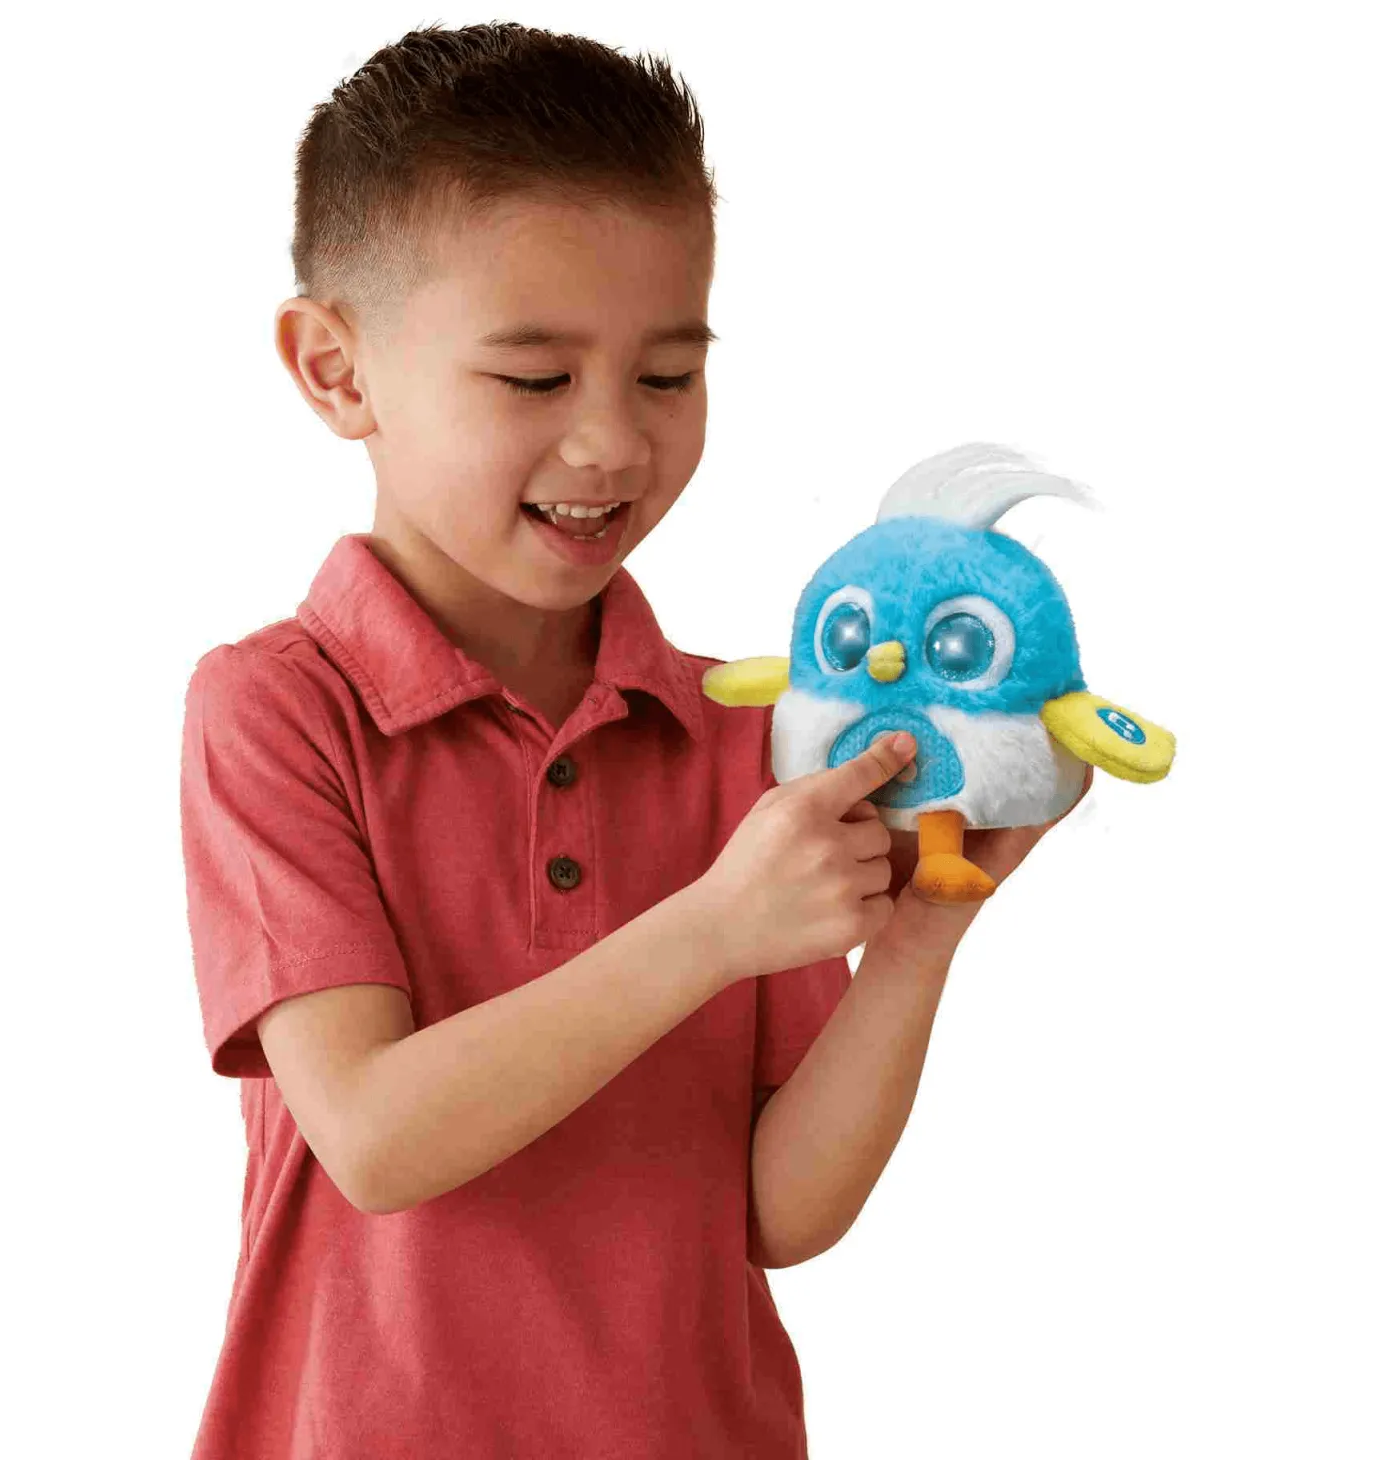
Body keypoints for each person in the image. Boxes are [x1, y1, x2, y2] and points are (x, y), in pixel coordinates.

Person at [178, 22, 1088, 1458]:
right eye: (535, 380)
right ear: (337, 370)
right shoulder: (277, 708)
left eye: (666, 376)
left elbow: (780, 1213)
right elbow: (376, 1138)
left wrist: (920, 940)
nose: (611, 442)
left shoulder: (747, 734)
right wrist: (715, 928)